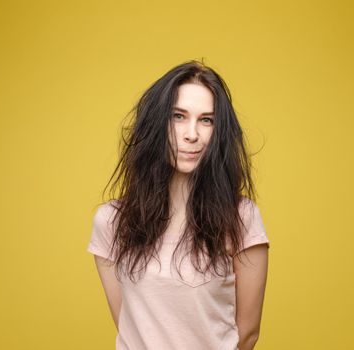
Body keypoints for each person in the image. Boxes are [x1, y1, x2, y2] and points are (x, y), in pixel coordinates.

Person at [87, 59, 270, 350]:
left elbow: (246, 334)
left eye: (206, 120)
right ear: (157, 123)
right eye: (178, 116)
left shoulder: (241, 218)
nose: (192, 134)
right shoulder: (111, 221)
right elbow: (130, 326)